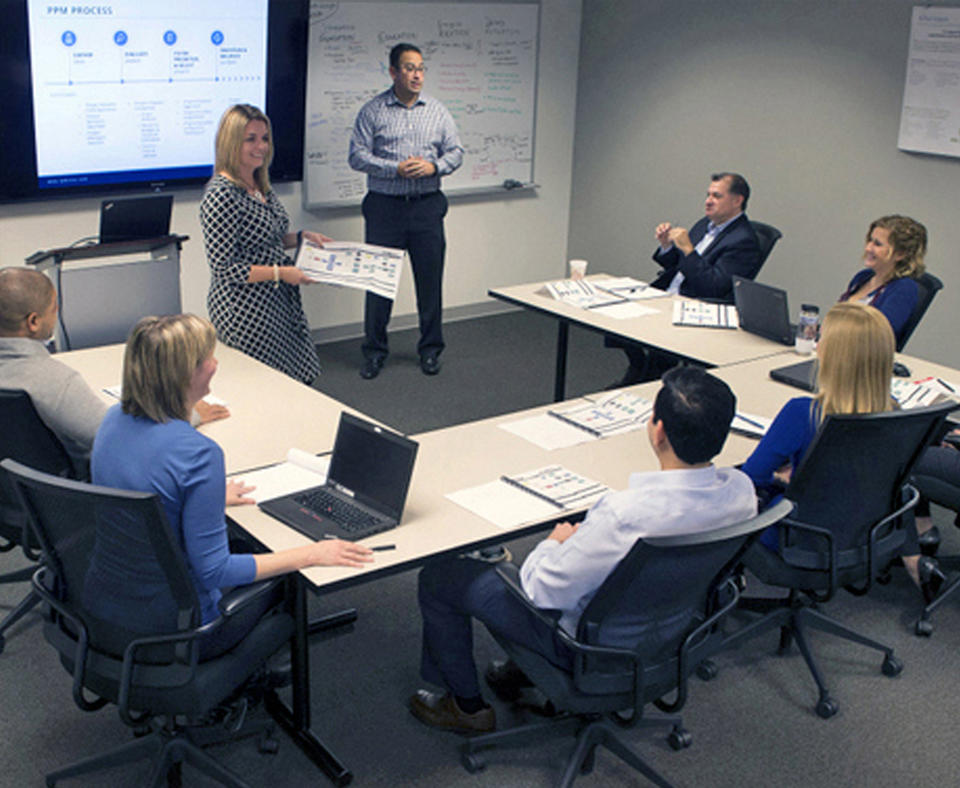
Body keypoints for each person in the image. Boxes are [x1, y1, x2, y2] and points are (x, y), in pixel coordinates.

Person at [409, 366, 757, 733]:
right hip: (671, 637)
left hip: (588, 651)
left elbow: (541, 592)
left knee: (441, 577)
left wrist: (551, 544)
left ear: (657, 431)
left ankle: (466, 709)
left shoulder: (625, 514)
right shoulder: (742, 493)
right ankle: (520, 673)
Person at [90, 314, 373, 658]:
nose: (215, 363)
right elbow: (215, 571)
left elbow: (144, 486)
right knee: (287, 576)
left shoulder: (112, 420)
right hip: (183, 630)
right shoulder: (199, 454)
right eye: (207, 358)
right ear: (185, 374)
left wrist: (202, 498)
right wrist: (312, 554)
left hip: (107, 605)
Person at [740, 302, 938, 598]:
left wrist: (785, 479)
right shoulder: (896, 416)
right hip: (865, 540)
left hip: (796, 542)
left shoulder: (804, 414)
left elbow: (750, 477)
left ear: (832, 355)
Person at [348, 43, 464, 379]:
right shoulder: (373, 111)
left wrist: (434, 167)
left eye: (421, 68)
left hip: (427, 207)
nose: (417, 75)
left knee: (430, 284)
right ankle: (374, 351)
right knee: (379, 284)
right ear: (393, 72)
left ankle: (430, 350)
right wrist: (393, 168)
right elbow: (356, 156)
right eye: (410, 68)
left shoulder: (438, 111)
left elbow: (456, 152)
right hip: (385, 208)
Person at [200, 104, 329, 384]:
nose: (261, 146)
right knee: (262, 384)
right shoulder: (221, 195)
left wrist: (301, 237)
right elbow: (225, 268)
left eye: (265, 138)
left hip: (277, 301)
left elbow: (265, 240)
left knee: (297, 377)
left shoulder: (259, 186)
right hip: (246, 310)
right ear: (231, 142)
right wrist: (281, 273)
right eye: (251, 139)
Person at [610, 173, 763, 386]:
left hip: (696, 303)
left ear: (738, 201)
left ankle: (650, 376)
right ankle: (639, 367)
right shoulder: (704, 224)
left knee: (651, 337)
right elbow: (677, 265)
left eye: (717, 196)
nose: (708, 201)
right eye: (708, 194)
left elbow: (713, 286)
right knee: (615, 316)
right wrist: (667, 245)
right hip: (668, 294)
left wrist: (688, 250)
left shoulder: (744, 241)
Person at [0, 267, 106, 474]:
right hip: (69, 495)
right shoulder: (55, 381)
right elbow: (112, 434)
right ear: (33, 322)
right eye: (53, 309)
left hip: (11, 495)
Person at [838, 214, 927, 346]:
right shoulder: (862, 277)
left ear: (900, 254)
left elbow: (878, 336)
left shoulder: (904, 289)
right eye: (870, 240)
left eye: (877, 244)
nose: (868, 248)